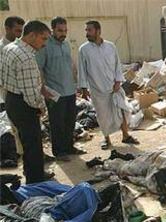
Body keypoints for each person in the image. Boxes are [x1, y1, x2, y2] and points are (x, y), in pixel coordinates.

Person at [0, 20, 54, 184]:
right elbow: (31, 94)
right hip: (24, 104)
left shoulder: (9, 48)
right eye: (43, 39)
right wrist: (41, 107)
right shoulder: (26, 58)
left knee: (24, 143)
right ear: (32, 35)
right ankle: (35, 181)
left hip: (11, 99)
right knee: (33, 146)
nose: (44, 44)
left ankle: (32, 174)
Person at [78, 20, 138, 150]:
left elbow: (117, 65)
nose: (87, 33)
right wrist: (84, 89)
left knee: (121, 109)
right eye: (86, 30)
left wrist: (118, 81)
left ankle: (126, 135)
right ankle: (106, 139)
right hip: (97, 89)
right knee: (102, 115)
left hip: (114, 87)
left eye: (90, 30)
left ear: (98, 31)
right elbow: (82, 70)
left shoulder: (110, 47)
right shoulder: (84, 49)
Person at [36, 17, 86, 162]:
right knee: (57, 123)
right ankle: (59, 151)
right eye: (60, 30)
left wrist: (76, 84)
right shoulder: (45, 46)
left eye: (65, 30)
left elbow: (70, 64)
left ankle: (69, 147)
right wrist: (44, 89)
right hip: (54, 92)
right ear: (52, 30)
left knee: (70, 121)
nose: (63, 33)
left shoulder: (65, 44)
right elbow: (39, 68)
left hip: (70, 90)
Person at [0, 16, 25, 156]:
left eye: (21, 30)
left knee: (31, 129)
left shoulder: (21, 46)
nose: (19, 34)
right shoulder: (2, 49)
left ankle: (34, 156)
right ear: (7, 29)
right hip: (11, 94)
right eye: (17, 30)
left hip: (25, 94)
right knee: (17, 128)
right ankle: (24, 156)